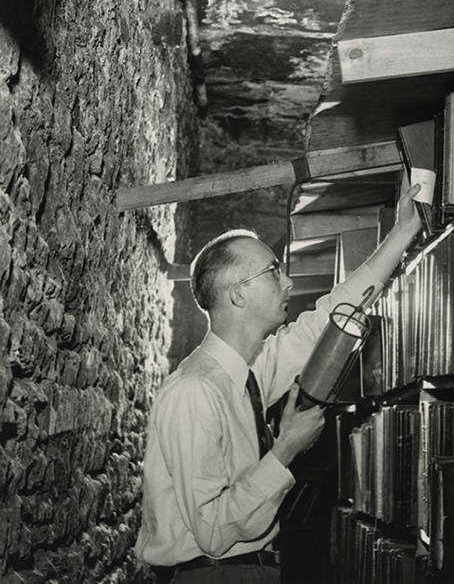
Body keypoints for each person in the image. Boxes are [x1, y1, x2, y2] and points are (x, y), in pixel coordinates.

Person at [134, 185, 422, 582]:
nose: (287, 283)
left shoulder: (248, 374)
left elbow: (329, 319)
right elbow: (214, 532)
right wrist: (286, 447)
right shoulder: (194, 392)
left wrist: (403, 232)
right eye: (273, 272)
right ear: (238, 295)